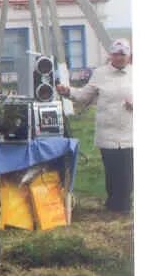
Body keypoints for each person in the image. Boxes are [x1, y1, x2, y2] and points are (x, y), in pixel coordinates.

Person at [57, 38, 134, 213]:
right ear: (111, 56)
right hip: (107, 132)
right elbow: (84, 96)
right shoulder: (100, 74)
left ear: (129, 56)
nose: (120, 58)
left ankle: (124, 206)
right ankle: (113, 205)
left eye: (123, 54)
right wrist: (68, 92)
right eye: (116, 54)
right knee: (112, 170)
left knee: (128, 171)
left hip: (130, 132)